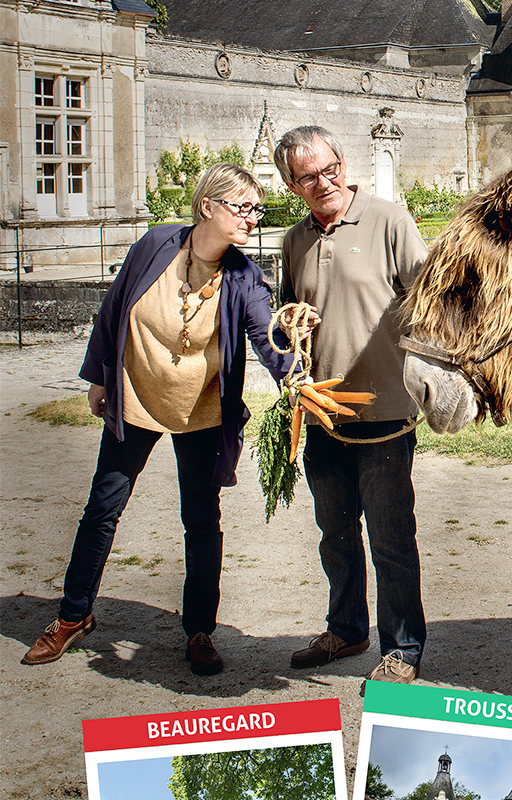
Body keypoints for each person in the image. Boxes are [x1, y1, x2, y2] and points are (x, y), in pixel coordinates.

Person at [22, 163, 292, 675]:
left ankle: (200, 631)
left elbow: (267, 339)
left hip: (202, 409)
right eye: (242, 207)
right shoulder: (153, 246)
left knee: (201, 519)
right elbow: (113, 309)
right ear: (207, 206)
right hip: (137, 397)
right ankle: (73, 616)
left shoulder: (245, 277)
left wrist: (295, 375)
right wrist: (99, 377)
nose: (252, 218)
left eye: (256, 209)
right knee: (103, 507)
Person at [273, 126, 429, 685]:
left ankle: (403, 649)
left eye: (329, 169)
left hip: (385, 412)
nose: (323, 182)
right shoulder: (294, 240)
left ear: (343, 162)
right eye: (308, 177)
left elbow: (432, 301)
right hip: (322, 414)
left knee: (391, 539)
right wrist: (291, 324)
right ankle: (346, 629)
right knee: (335, 534)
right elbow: (284, 315)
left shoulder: (389, 220)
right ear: (292, 186)